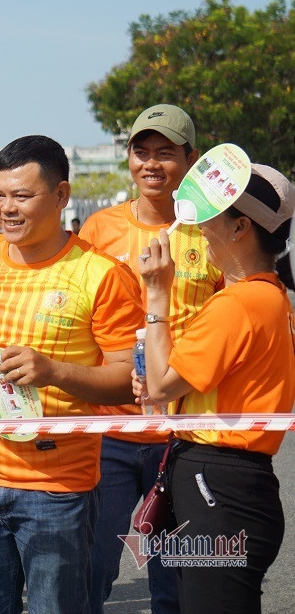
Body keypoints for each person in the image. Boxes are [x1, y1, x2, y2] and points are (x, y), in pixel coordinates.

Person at [0, 135, 144, 614]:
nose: (7, 209)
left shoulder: (101, 274)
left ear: (61, 196)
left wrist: (55, 372)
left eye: (22, 196)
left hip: (58, 490)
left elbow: (130, 379)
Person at [79, 104, 222, 614]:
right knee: (91, 568)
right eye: (142, 152)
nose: (152, 165)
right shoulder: (98, 229)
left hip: (186, 432)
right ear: (129, 159)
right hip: (111, 432)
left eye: (167, 153)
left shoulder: (213, 232)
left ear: (191, 160)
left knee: (176, 576)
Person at [135, 164, 294, 614]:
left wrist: (157, 294)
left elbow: (163, 384)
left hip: (216, 486)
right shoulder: (271, 297)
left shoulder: (239, 303)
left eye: (212, 216)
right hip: (231, 483)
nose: (202, 228)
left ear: (241, 226)